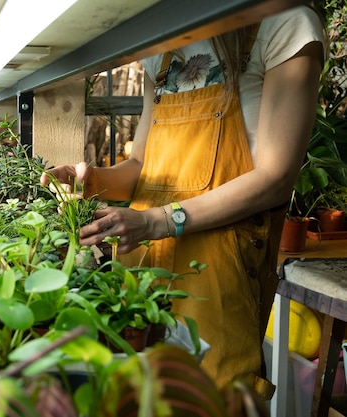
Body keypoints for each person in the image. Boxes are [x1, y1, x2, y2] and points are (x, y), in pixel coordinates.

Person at [41, 4, 325, 399]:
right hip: (141, 266)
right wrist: (91, 181)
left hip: (218, 274)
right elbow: (141, 164)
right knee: (134, 397)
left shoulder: (283, 23)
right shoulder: (162, 42)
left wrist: (159, 221)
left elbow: (275, 178)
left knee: (211, 398)